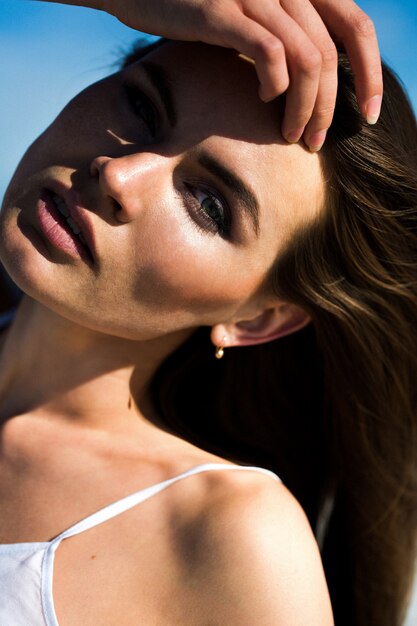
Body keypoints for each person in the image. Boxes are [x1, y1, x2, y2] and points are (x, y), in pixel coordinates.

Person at [0, 1, 415, 625]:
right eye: (141, 105)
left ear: (257, 320)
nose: (119, 174)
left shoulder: (231, 535)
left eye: (208, 205)